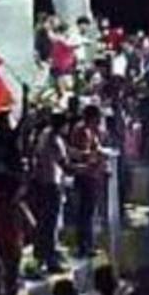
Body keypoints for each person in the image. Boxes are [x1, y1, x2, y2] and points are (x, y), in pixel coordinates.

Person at [68, 105, 107, 259]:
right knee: (85, 213)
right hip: (86, 176)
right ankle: (84, 246)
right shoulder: (82, 131)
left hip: (92, 175)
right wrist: (96, 155)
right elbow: (83, 154)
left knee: (88, 213)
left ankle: (88, 244)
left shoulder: (90, 131)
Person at [33, 113, 70, 273]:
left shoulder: (44, 134)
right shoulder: (55, 140)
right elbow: (65, 165)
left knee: (44, 222)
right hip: (52, 184)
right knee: (52, 224)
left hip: (42, 183)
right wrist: (87, 167)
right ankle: (51, 261)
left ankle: (41, 257)